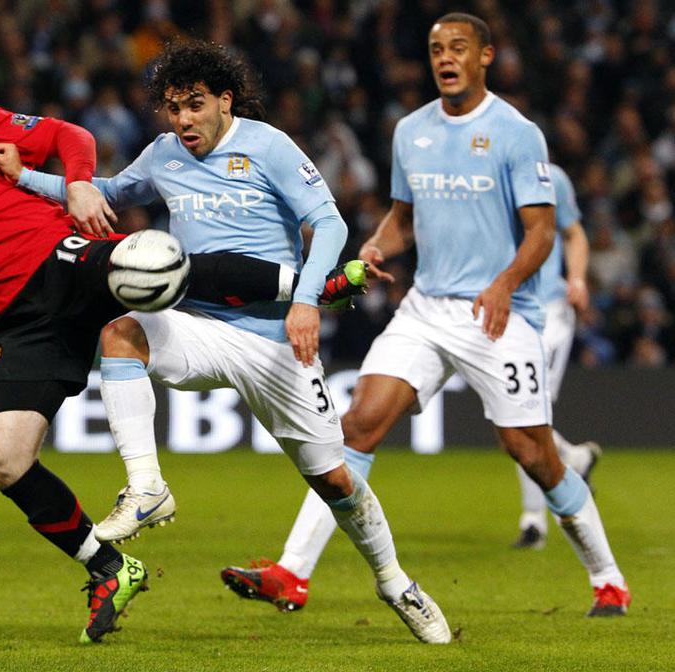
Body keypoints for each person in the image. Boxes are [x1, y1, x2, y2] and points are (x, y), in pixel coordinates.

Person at [0, 73, 354, 644]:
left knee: (158, 265)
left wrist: (77, 186)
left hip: (63, 258)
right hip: (23, 326)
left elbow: (71, 136)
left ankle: (315, 286)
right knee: (2, 460)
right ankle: (109, 567)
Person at [0, 40, 451, 644]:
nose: (183, 119)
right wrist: (25, 178)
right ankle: (147, 486)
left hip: (276, 340)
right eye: (173, 108)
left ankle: (394, 583)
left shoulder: (268, 146)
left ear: (225, 101)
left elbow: (330, 222)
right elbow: (107, 192)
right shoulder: (164, 154)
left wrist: (307, 302)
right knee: (121, 334)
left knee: (334, 481)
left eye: (195, 104)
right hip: (200, 327)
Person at [219, 14, 631, 618]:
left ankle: (608, 578)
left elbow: (543, 232)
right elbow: (404, 219)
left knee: (532, 453)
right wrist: (376, 246)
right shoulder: (411, 131)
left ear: (485, 56)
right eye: (437, 48)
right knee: (357, 426)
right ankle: (292, 574)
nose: (445, 57)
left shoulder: (516, 134)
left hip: (498, 314)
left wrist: (504, 285)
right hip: (426, 310)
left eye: (458, 47)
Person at [512, 163, 601, 550]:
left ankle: (534, 521)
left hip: (547, 309)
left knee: (525, 412)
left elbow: (573, 232)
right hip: (503, 309)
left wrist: (577, 279)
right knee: (512, 414)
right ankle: (574, 458)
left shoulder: (550, 177)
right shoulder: (475, 175)